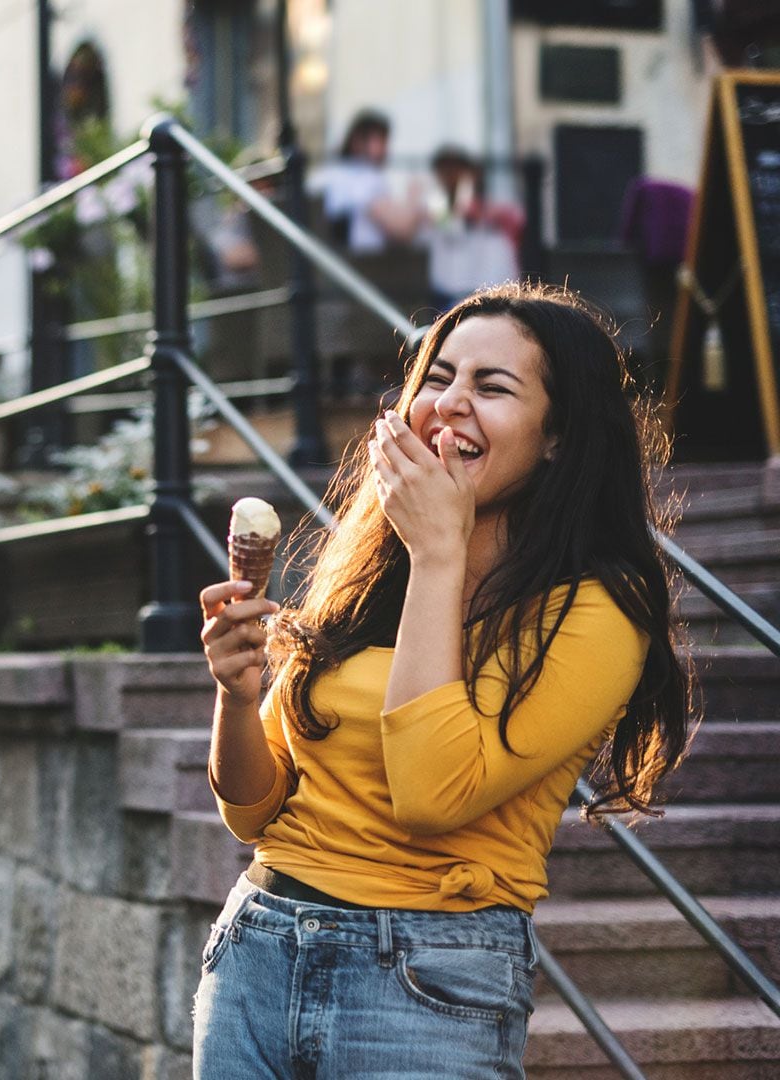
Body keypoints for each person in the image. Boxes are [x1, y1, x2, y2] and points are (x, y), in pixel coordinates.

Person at [192, 282, 692, 1078]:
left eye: (492, 387)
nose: (450, 403)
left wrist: (437, 553)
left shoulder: (596, 612)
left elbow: (432, 793)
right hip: (258, 949)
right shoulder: (371, 578)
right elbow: (254, 812)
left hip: (427, 977)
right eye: (438, 376)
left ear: (558, 436)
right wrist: (238, 693)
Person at [311, 109, 426, 254]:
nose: (386, 150)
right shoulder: (367, 179)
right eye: (381, 140)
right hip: (362, 264)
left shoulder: (324, 175)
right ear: (358, 141)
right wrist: (414, 200)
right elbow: (402, 230)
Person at [427, 146, 524, 310]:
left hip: (497, 297)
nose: (451, 176)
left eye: (457, 169)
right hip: (450, 299)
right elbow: (448, 223)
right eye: (445, 171)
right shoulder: (437, 207)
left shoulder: (496, 209)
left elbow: (515, 221)